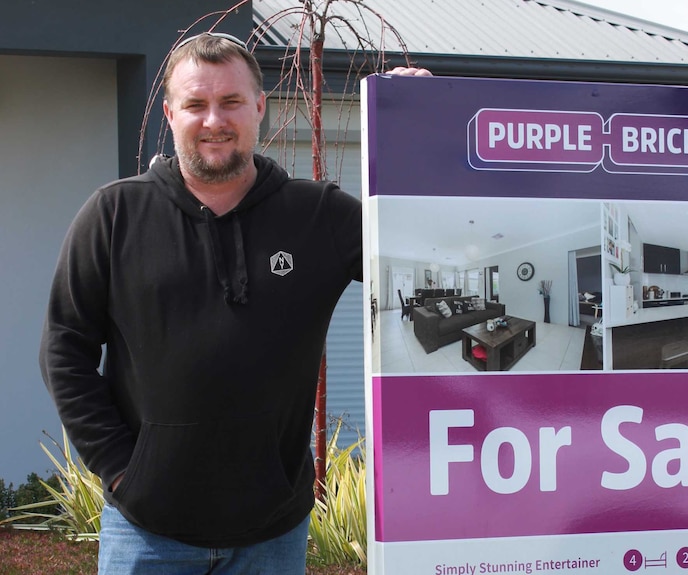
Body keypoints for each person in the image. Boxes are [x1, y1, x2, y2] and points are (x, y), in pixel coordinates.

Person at [38, 32, 429, 574]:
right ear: (170, 114)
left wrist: (418, 122)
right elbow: (63, 350)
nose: (213, 120)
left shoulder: (320, 217)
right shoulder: (113, 216)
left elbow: (426, 249)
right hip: (147, 534)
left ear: (260, 108)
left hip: (272, 534)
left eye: (231, 102)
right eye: (195, 104)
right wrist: (122, 468)